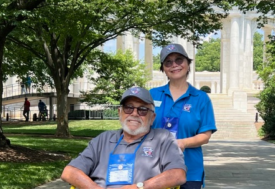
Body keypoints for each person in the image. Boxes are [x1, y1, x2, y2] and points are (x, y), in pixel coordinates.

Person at [61, 86, 186, 189]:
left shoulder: (163, 138)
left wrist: (140, 187)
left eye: (142, 109)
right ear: (120, 113)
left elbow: (178, 175)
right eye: (128, 108)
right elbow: (69, 172)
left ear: (152, 118)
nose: (134, 113)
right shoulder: (103, 139)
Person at [150, 43, 217, 189]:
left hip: (189, 170)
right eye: (168, 62)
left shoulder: (201, 98)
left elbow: (205, 136)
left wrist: (182, 143)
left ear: (188, 64)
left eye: (179, 60)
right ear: (163, 68)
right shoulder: (152, 94)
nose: (174, 65)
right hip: (154, 169)